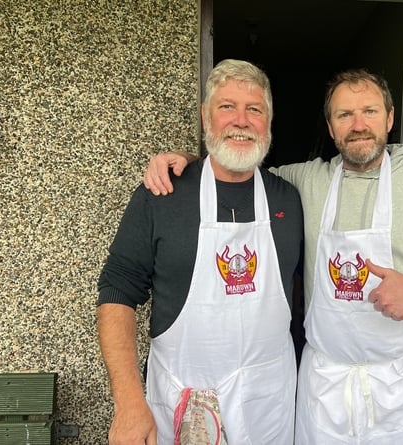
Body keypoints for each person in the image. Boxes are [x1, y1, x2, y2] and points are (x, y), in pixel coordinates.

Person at [143, 68, 403, 444]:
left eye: (369, 112)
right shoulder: (304, 181)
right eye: (344, 115)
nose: (358, 125)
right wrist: (187, 163)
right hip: (325, 391)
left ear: (389, 118)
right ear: (330, 126)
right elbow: (236, 164)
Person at [97, 59, 303, 445]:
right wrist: (128, 403)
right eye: (226, 107)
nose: (240, 120)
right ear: (206, 120)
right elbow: (117, 291)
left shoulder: (290, 198)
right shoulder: (162, 195)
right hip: (183, 402)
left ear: (269, 124)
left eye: (254, 110)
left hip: (267, 406)